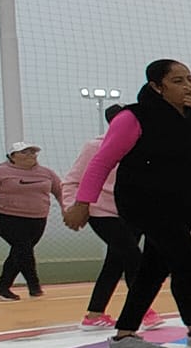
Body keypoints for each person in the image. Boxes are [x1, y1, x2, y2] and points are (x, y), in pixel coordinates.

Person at [62, 60, 191, 348]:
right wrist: (81, 203)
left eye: (189, 78)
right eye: (177, 80)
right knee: (188, 259)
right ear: (156, 87)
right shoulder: (133, 117)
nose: (187, 85)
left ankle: (124, 337)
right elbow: (102, 161)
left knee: (152, 269)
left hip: (183, 205)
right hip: (143, 202)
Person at [62, 107, 163, 330]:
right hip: (101, 211)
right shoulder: (94, 147)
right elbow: (71, 180)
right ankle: (142, 310)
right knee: (133, 256)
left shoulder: (143, 147)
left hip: (132, 213)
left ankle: (94, 315)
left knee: (115, 263)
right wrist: (72, 207)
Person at [0, 140, 65, 300]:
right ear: (12, 156)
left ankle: (2, 288)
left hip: (37, 219)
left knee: (19, 252)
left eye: (33, 152)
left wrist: (65, 209)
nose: (30, 155)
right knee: (23, 248)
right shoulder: (0, 172)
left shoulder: (46, 173)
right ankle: (35, 287)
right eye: (25, 152)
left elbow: (60, 191)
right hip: (6, 217)